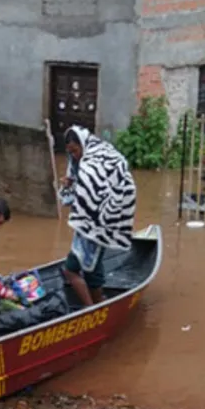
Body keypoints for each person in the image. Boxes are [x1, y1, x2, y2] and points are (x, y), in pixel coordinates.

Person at [59, 125, 136, 307]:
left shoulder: (98, 157)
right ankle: (97, 303)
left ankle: (91, 308)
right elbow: (78, 193)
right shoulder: (77, 160)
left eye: (76, 151)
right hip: (87, 222)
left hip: (103, 219)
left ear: (83, 144)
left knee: (73, 270)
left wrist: (78, 188)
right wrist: (70, 183)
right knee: (92, 264)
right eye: (70, 152)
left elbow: (102, 187)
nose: (74, 155)